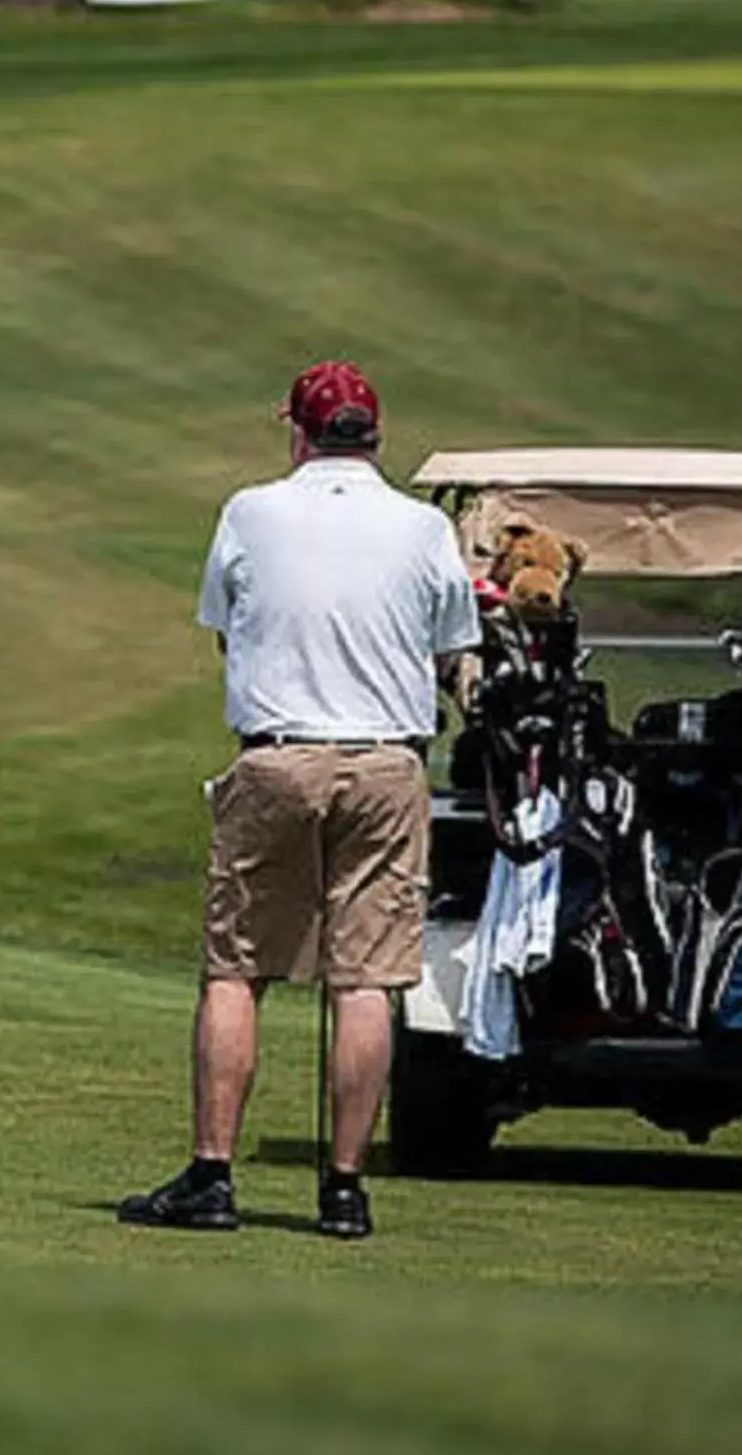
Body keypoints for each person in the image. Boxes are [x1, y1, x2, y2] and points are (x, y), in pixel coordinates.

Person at [118, 360, 478, 1241]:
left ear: (301, 433)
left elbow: (226, 634)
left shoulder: (251, 511)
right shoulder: (423, 527)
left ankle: (213, 1175)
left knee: (237, 966)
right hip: (389, 764)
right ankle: (344, 1190)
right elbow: (449, 649)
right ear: (374, 435)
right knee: (365, 979)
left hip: (279, 757)